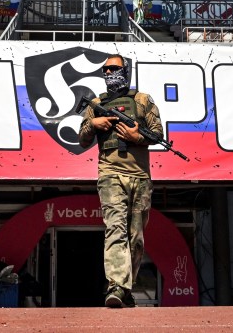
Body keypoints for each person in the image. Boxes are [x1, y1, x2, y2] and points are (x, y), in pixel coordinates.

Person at [78, 53, 163, 308]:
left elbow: (158, 135)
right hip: (110, 174)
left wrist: (137, 136)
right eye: (105, 70)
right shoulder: (95, 103)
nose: (109, 73)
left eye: (114, 68)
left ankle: (126, 288)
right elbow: (82, 139)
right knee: (115, 229)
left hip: (140, 177)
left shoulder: (142, 100)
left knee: (136, 239)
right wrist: (93, 123)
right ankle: (115, 286)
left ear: (125, 70)